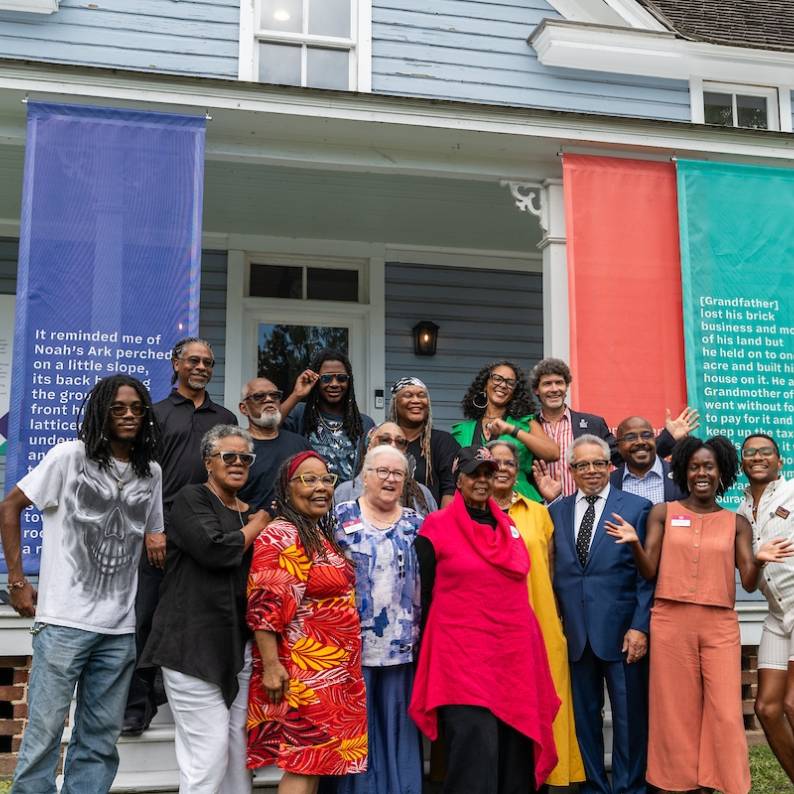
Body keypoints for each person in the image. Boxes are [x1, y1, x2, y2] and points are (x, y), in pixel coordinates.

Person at [0, 375, 163, 794]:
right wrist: (17, 580)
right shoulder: (69, 458)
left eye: (136, 408)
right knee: (43, 735)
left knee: (99, 741)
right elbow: (10, 507)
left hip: (118, 630)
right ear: (100, 412)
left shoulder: (151, 473)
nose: (128, 415)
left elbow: (151, 532)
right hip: (63, 623)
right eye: (118, 408)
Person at [606, 435, 794, 794]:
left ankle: (720, 780)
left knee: (723, 710)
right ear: (684, 472)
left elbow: (750, 583)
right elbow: (649, 571)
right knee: (675, 708)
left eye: (709, 466)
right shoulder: (663, 512)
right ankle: (677, 782)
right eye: (694, 467)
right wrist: (633, 541)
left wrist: (760, 557)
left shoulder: (736, 522)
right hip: (670, 620)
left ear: (721, 471)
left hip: (719, 624)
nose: (701, 473)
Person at [409, 446, 560, 793]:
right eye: (474, 473)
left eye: (487, 473)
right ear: (458, 480)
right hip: (461, 658)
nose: (481, 480)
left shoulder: (508, 525)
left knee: (517, 750)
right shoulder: (437, 526)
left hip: (514, 657)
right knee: (474, 752)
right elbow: (423, 594)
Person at [140, 425, 270, 793]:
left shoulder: (248, 511)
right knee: (207, 754)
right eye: (229, 456)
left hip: (237, 646)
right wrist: (261, 522)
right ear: (208, 462)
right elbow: (215, 550)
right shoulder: (191, 499)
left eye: (246, 457)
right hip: (190, 643)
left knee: (236, 750)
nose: (238, 463)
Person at [124, 335, 237, 735]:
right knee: (146, 616)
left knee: (194, 615)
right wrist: (151, 529)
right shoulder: (154, 414)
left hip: (206, 534)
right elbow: (141, 477)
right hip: (163, 532)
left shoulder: (224, 420)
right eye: (194, 360)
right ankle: (139, 704)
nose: (202, 367)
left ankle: (183, 692)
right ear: (176, 364)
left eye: (208, 362)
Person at [247, 451, 367, 792]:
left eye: (326, 480)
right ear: (287, 489)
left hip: (330, 675)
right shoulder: (282, 534)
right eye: (308, 479)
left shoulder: (315, 532)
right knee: (303, 764)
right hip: (302, 672)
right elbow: (264, 606)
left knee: (315, 764)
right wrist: (271, 665)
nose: (321, 488)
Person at [549, 434, 652, 794]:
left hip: (623, 634)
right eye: (582, 465)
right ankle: (593, 786)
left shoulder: (638, 508)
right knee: (584, 719)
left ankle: (629, 787)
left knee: (628, 719)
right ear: (571, 470)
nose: (591, 470)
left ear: (610, 466)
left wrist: (640, 627)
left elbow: (647, 576)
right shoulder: (556, 511)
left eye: (598, 463)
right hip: (575, 635)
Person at [487, 439, 585, 788]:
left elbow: (555, 570)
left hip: (540, 622)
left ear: (518, 471)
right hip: (492, 629)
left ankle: (547, 777)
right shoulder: (473, 512)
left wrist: (561, 621)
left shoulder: (538, 512)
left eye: (509, 463)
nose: (502, 468)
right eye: (494, 462)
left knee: (545, 704)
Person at [334, 445, 423, 794]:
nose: (390, 479)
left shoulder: (417, 523)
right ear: (364, 476)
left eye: (397, 473)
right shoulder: (338, 517)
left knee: (399, 729)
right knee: (356, 732)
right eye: (382, 471)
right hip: (351, 648)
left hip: (403, 648)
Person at [530, 357, 698, 497]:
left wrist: (668, 437)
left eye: (559, 383)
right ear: (537, 390)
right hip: (540, 511)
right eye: (547, 384)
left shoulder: (593, 424)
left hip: (587, 513)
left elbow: (627, 458)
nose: (554, 389)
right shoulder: (528, 427)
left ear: (566, 386)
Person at [739, 434, 794, 781]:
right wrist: (757, 561)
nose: (757, 457)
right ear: (743, 463)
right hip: (776, 614)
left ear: (779, 461)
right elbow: (747, 582)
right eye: (749, 453)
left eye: (765, 452)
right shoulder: (742, 512)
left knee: (791, 704)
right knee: (767, 708)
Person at [453, 360, 559, 501]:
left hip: (519, 500)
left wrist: (512, 430)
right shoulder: (463, 430)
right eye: (497, 378)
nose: (503, 385)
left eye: (510, 382)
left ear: (515, 391)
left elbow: (553, 452)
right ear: (485, 384)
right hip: (474, 503)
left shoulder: (525, 423)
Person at [281, 349, 375, 481]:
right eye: (326, 378)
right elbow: (270, 427)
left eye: (341, 378)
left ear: (349, 382)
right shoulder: (301, 413)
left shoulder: (364, 423)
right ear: (316, 381)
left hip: (349, 499)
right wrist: (296, 395)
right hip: (310, 496)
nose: (334, 384)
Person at [237, 377, 311, 513]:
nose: (269, 399)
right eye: (259, 396)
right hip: (249, 529)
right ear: (244, 408)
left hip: (296, 529)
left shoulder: (300, 444)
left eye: (275, 395)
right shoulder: (235, 447)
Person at [335, 421, 438, 515]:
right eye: (384, 440)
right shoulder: (344, 493)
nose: (393, 446)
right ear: (369, 446)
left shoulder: (423, 494)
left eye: (400, 442)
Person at [388, 377, 460, 507]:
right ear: (395, 403)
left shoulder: (442, 442)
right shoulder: (384, 440)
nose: (416, 400)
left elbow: (450, 489)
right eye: (408, 395)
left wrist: (441, 525)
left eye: (421, 395)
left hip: (429, 524)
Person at [609, 415, 688, 504]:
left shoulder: (683, 476)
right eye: (630, 437)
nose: (640, 442)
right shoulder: (608, 483)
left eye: (646, 435)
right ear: (618, 446)